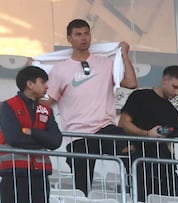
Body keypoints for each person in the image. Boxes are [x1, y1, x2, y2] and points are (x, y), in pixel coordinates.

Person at [41, 19, 137, 195]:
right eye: (78, 34)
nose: (83, 38)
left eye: (86, 33)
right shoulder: (60, 69)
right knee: (82, 186)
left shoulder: (105, 63)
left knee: (131, 149)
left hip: (103, 128)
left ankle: (135, 191)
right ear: (69, 38)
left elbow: (131, 83)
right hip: (77, 134)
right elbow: (48, 100)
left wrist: (124, 54)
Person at [118, 65, 178, 201]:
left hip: (164, 165)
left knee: (176, 198)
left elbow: (170, 144)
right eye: (175, 87)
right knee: (141, 198)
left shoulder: (173, 112)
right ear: (164, 80)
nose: (177, 93)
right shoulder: (140, 96)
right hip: (138, 160)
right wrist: (147, 134)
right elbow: (123, 123)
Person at [0, 66, 62, 203]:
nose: (47, 87)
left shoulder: (46, 110)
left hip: (40, 174)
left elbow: (56, 141)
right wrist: (44, 140)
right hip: (14, 172)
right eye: (43, 82)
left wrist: (31, 132)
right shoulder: (8, 106)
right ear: (30, 84)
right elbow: (13, 138)